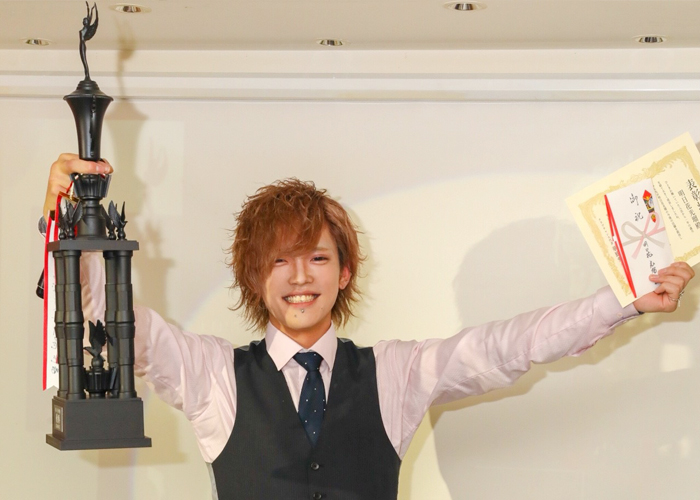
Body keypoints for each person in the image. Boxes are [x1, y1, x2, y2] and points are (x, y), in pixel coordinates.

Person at [43, 154, 695, 500]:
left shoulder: (396, 374)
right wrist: (64, 221)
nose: (300, 278)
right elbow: (107, 321)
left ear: (345, 271)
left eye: (317, 258)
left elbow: (510, 346)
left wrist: (623, 301)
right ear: (254, 276)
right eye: (280, 261)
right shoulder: (213, 375)